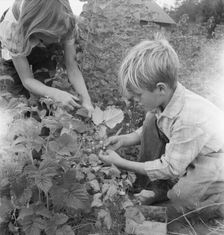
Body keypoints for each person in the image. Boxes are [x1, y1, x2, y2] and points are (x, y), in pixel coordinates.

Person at [99, 38, 224, 217]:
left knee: (182, 198)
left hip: (215, 159)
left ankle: (216, 200)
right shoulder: (164, 101)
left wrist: (121, 162)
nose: (133, 100)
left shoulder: (189, 118)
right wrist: (125, 140)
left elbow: (171, 168)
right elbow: (154, 128)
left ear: (160, 88)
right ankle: (152, 188)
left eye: (137, 95)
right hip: (192, 151)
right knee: (151, 120)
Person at [0, 0, 94, 115]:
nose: (60, 42)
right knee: (15, 99)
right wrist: (56, 94)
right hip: (20, 36)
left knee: (45, 90)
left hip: (41, 33)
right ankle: (20, 124)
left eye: (62, 37)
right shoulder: (12, 29)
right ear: (39, 33)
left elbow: (72, 68)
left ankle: (43, 123)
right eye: (57, 38)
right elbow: (27, 80)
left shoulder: (65, 22)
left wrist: (86, 101)